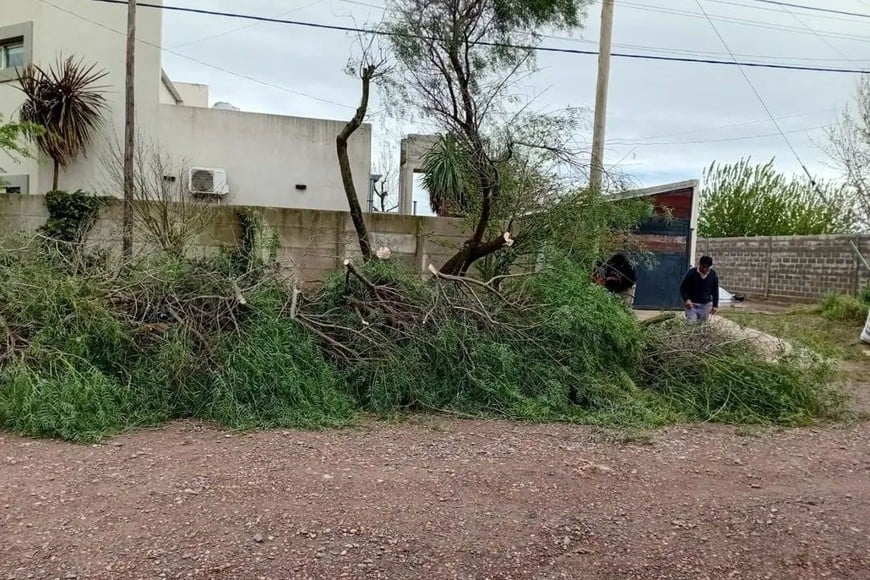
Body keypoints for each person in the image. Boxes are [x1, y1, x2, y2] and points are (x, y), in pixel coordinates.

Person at [680, 255, 719, 323]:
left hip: (705, 305)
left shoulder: (713, 274)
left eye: (707, 267)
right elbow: (683, 287)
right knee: (691, 323)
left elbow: (715, 290)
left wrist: (715, 305)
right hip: (692, 305)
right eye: (703, 267)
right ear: (699, 264)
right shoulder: (691, 273)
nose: (704, 269)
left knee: (702, 326)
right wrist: (687, 299)